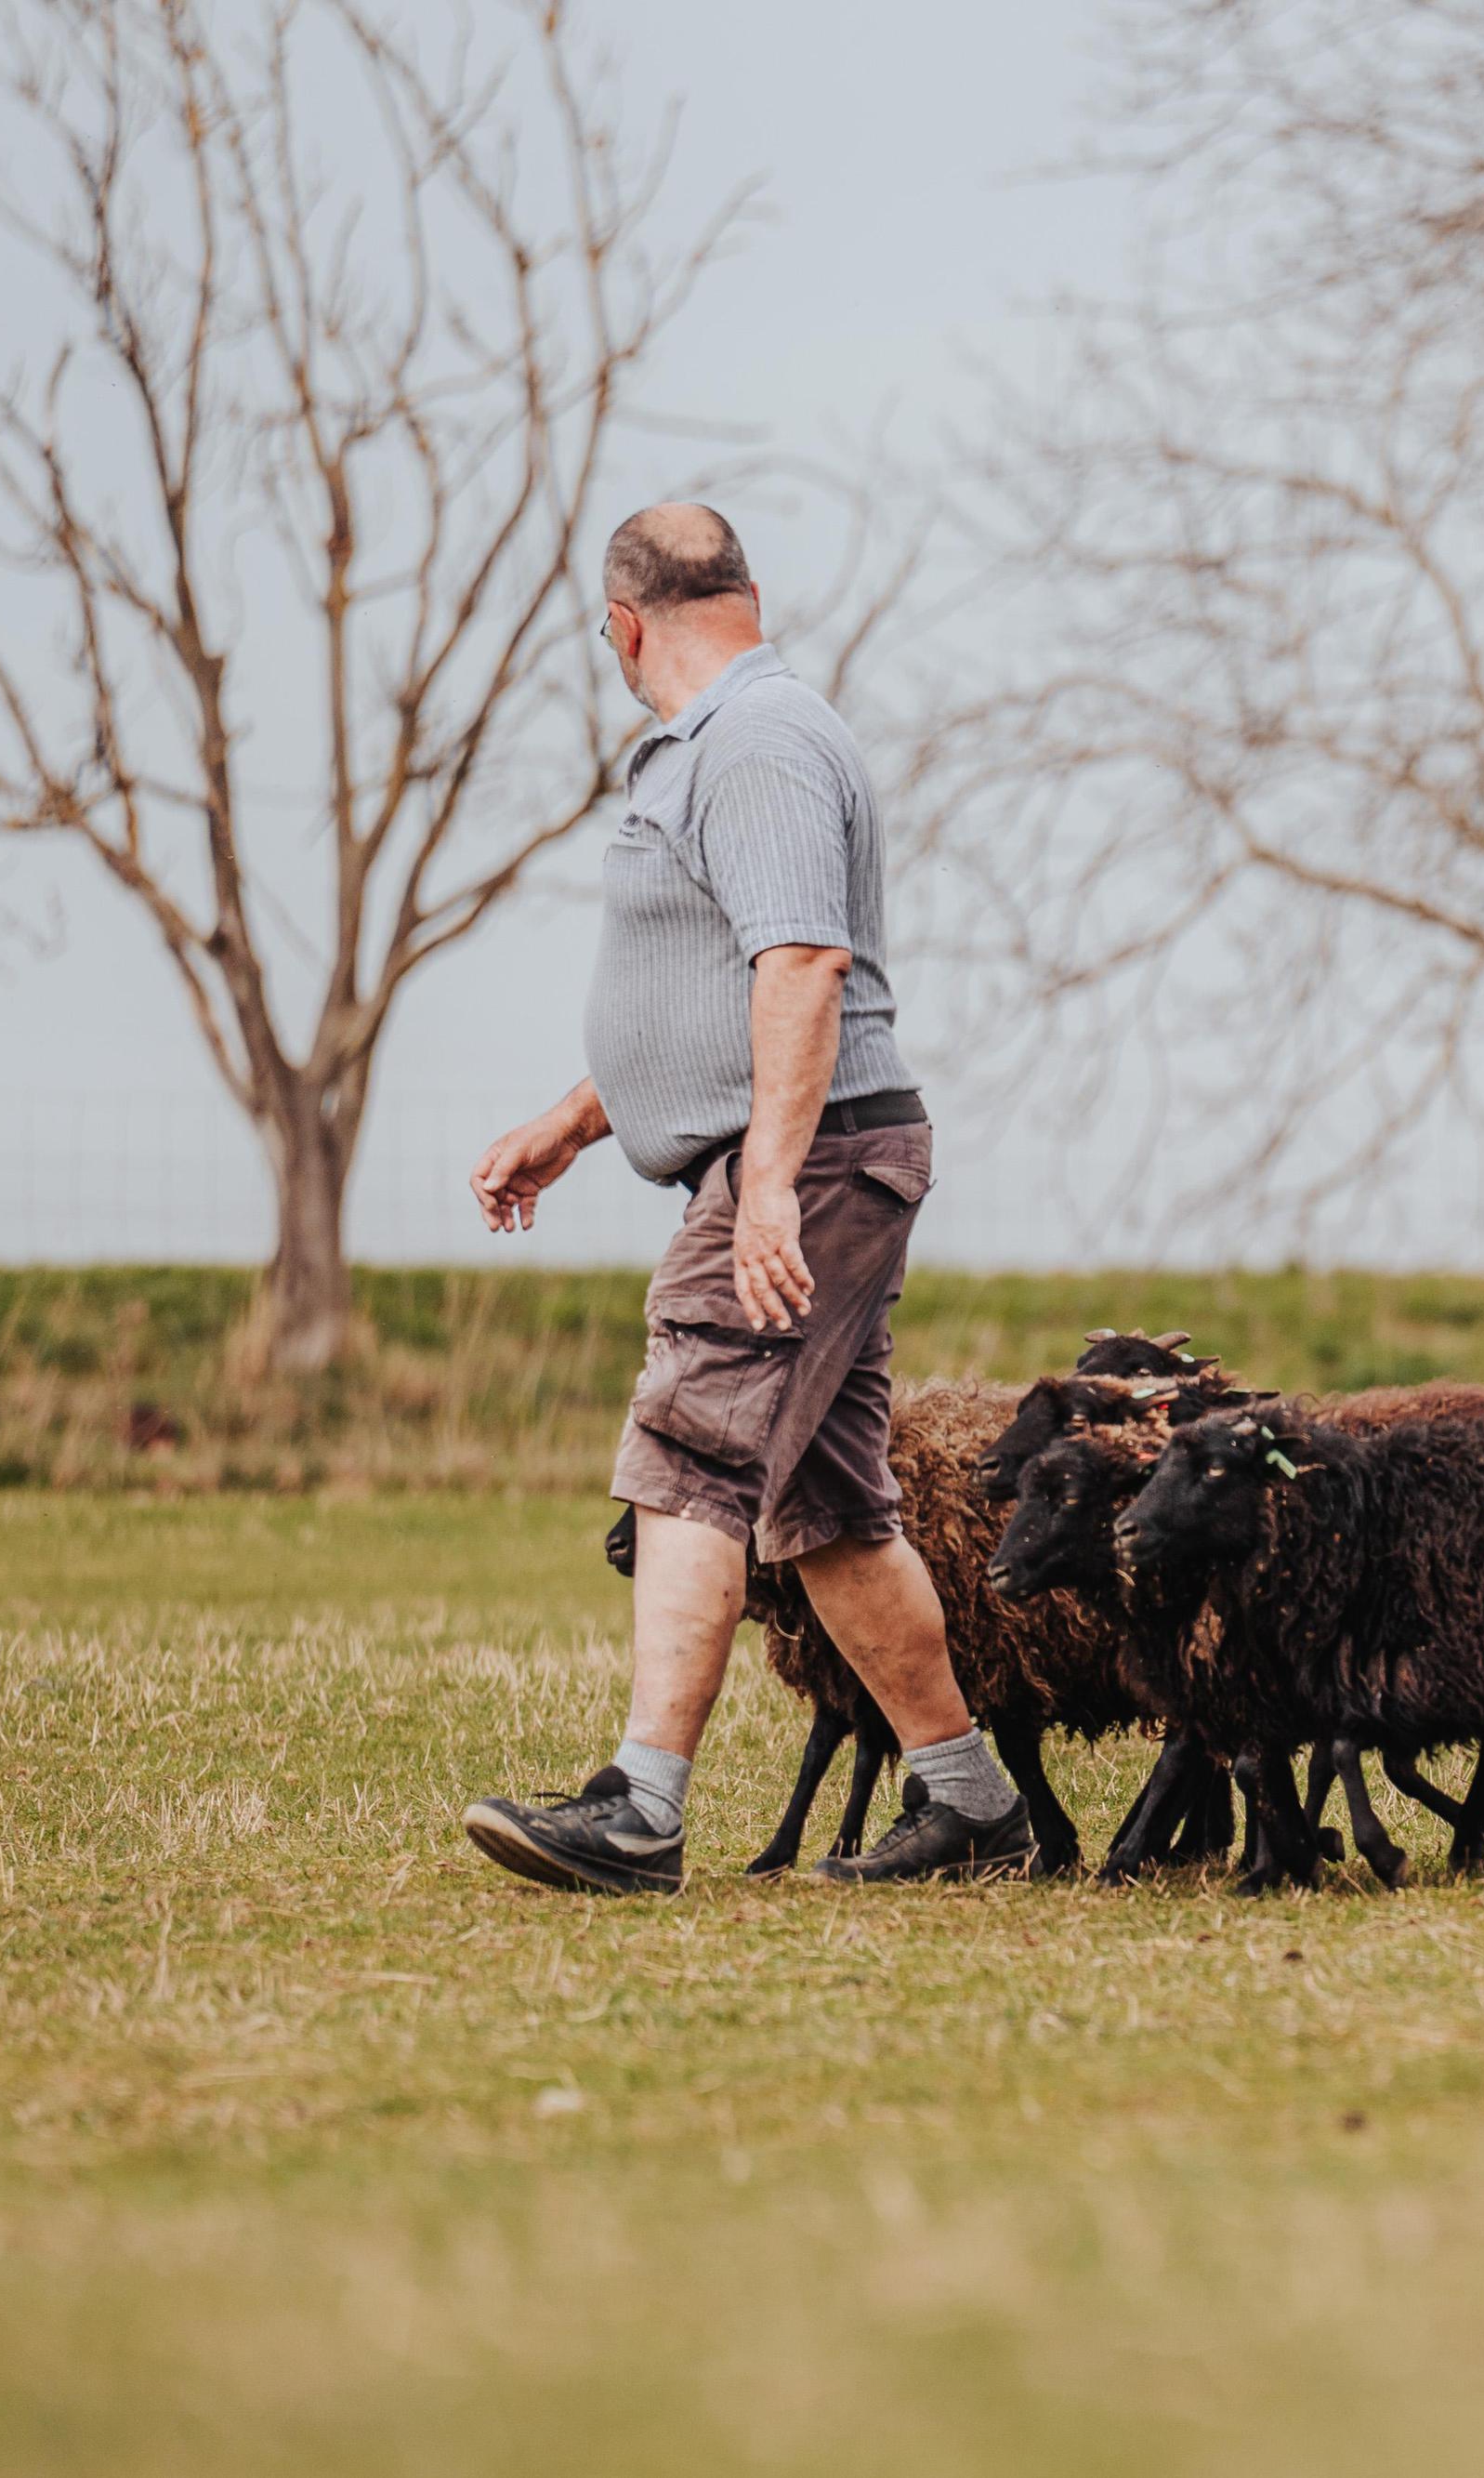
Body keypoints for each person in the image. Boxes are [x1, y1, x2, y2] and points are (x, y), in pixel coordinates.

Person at [454, 504, 1029, 1892]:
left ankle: (641, 1805)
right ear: (749, 596)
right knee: (827, 1505)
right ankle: (971, 1802)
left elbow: (799, 969)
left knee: (693, 1440)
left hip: (811, 1154)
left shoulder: (758, 742)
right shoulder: (732, 738)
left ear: (624, 626)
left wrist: (765, 1186)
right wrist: (580, 1120)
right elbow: (714, 997)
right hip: (805, 1147)